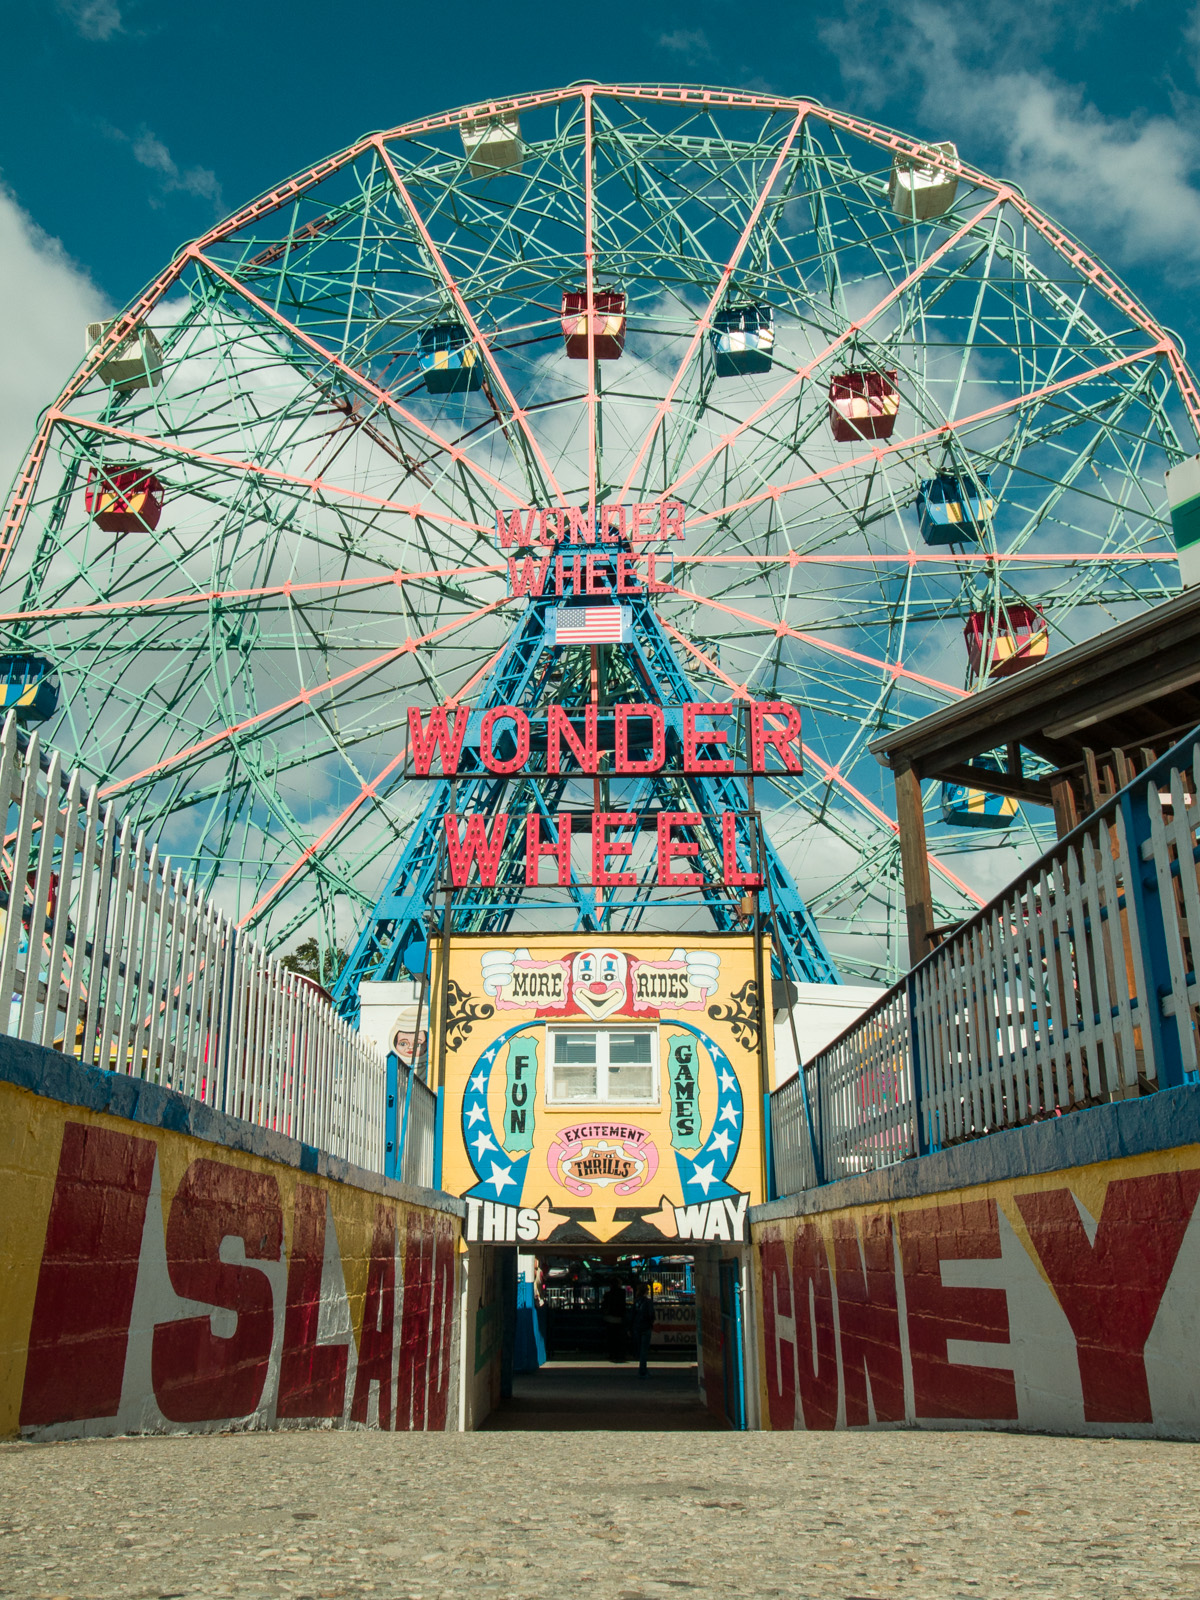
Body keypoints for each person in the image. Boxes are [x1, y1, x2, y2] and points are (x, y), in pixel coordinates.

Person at [631, 1283, 655, 1378]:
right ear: (646, 1291)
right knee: (644, 1350)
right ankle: (643, 1370)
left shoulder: (636, 1302)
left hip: (637, 1327)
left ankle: (642, 1369)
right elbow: (651, 1315)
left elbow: (632, 1315)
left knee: (639, 1348)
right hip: (646, 1327)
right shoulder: (648, 1302)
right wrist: (650, 1323)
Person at [600, 1280, 627, 1363]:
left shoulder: (608, 1294)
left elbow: (604, 1306)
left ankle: (612, 1354)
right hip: (619, 1319)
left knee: (611, 1338)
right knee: (620, 1338)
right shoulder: (622, 1293)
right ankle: (620, 1354)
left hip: (610, 1319)